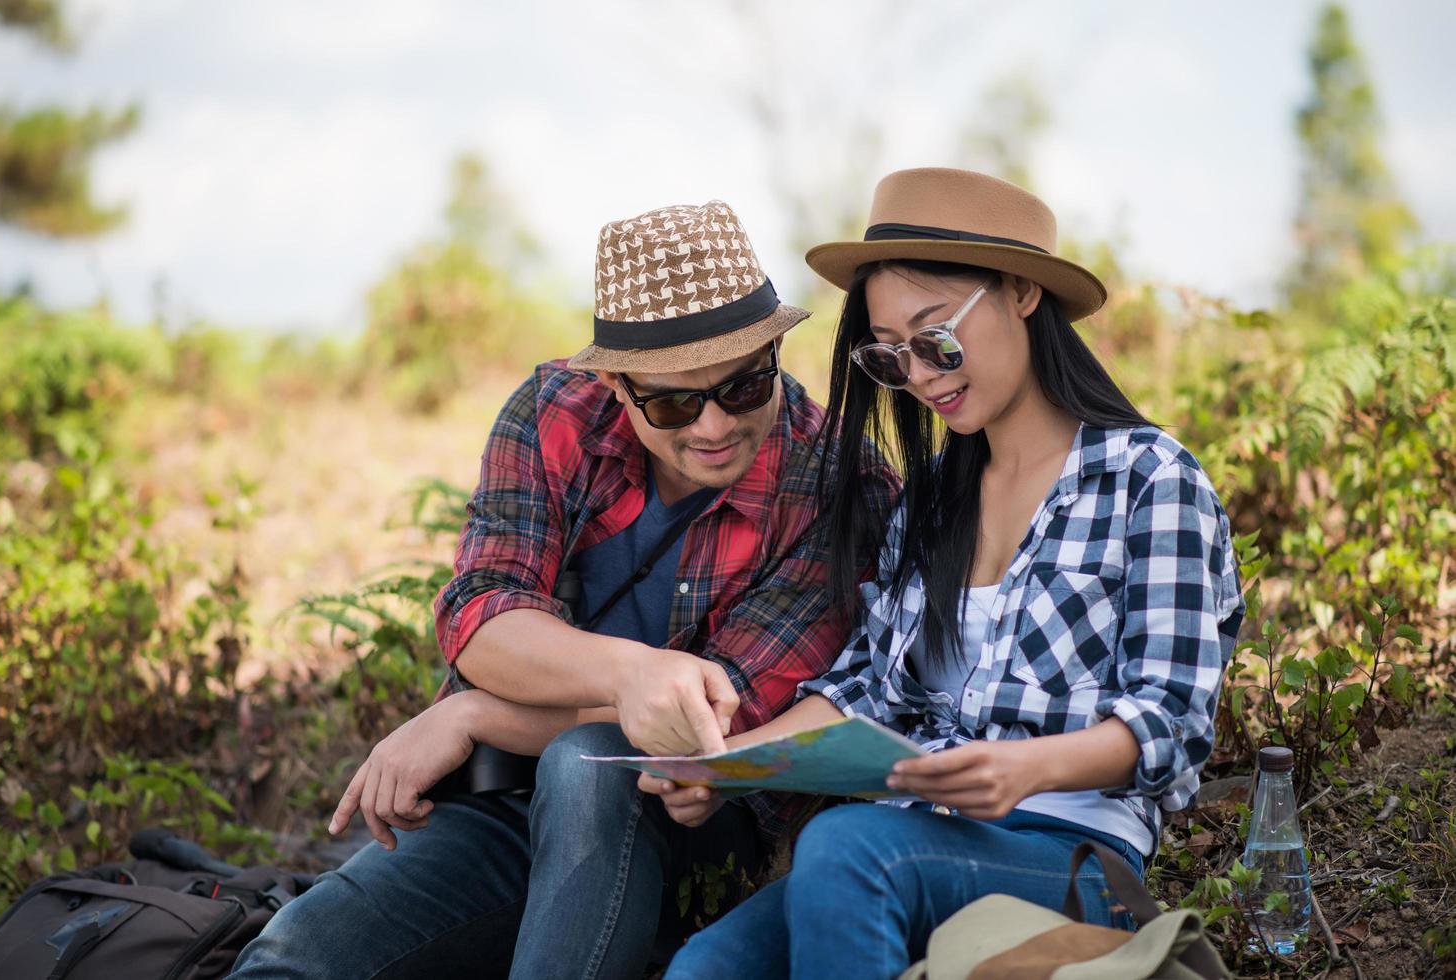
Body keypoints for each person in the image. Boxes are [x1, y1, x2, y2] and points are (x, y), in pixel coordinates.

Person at [229, 201, 899, 980]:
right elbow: (484, 615)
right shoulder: (554, 412)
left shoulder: (842, 488)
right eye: (675, 402)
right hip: (505, 803)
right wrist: (629, 673)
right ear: (615, 384)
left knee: (587, 762)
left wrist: (478, 712)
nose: (714, 425)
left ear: (777, 349)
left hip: (686, 826)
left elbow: (707, 725)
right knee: (293, 959)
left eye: (745, 387)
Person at [653, 169, 1246, 979]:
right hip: (911, 841)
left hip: (1068, 854)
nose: (923, 376)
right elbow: (866, 687)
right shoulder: (932, 500)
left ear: (1020, 292)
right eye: (891, 358)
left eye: (936, 339)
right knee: (702, 970)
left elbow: (1171, 719)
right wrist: (726, 769)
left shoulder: (1149, 480)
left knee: (844, 847)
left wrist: (1021, 768)